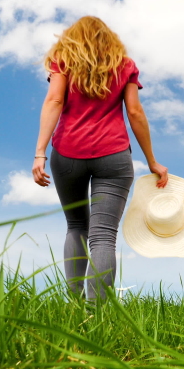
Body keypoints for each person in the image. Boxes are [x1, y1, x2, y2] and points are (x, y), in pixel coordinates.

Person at [32, 16, 168, 302]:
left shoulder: (63, 60)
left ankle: (73, 302)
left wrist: (40, 152)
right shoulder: (125, 65)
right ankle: (97, 311)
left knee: (76, 226)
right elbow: (135, 113)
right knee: (104, 235)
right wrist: (152, 161)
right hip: (114, 156)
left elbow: (54, 100)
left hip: (68, 153)